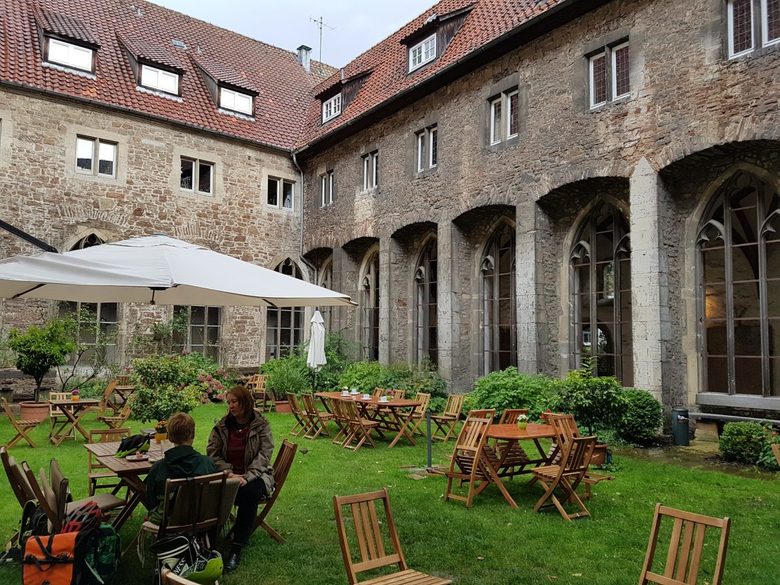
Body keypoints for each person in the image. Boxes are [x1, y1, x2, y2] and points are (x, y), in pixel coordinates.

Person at [207, 385, 274, 572]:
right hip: (228, 474)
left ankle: (236, 549)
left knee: (248, 493)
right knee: (208, 489)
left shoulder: (261, 425)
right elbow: (212, 453)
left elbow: (265, 454)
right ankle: (207, 542)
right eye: (228, 403)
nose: (230, 406)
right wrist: (229, 472)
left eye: (234, 402)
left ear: (245, 402)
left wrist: (248, 476)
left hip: (256, 475)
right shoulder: (222, 426)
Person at [143, 412, 217, 520]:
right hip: (200, 519)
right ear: (193, 434)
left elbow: (150, 500)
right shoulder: (207, 463)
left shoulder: (159, 467)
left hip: (168, 521)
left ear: (170, 437)